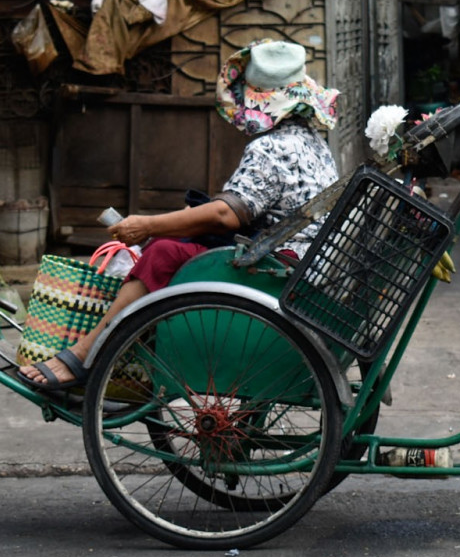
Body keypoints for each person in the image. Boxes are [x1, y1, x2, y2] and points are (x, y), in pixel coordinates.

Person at [21, 39, 340, 391]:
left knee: (163, 253)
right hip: (302, 267)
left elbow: (226, 215)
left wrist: (146, 226)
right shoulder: (314, 142)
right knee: (178, 241)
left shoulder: (271, 146)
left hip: (276, 272)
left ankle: (85, 353)